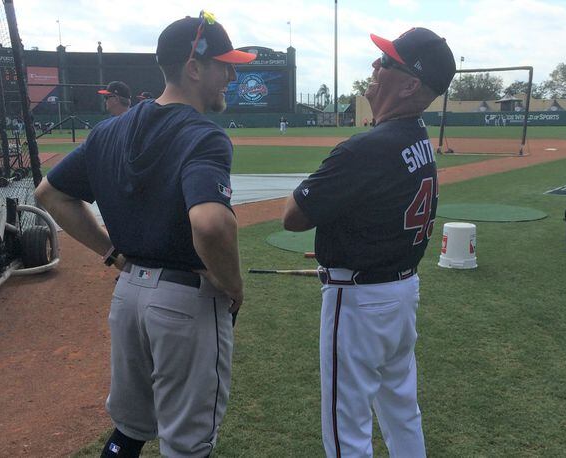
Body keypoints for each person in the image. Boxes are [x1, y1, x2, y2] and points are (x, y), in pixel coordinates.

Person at [35, 11, 254, 457]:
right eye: (224, 65)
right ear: (194, 67)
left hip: (128, 295)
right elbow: (210, 224)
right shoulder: (203, 135)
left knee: (130, 430)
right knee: (187, 444)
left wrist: (113, 253)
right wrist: (233, 284)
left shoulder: (110, 130)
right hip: (184, 302)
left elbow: (49, 194)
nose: (231, 74)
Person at [282, 27, 456, 457]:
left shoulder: (365, 149)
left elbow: (293, 218)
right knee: (401, 410)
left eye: (388, 62)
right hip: (400, 292)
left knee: (347, 427)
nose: (376, 66)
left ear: (412, 84)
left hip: (358, 300)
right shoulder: (418, 138)